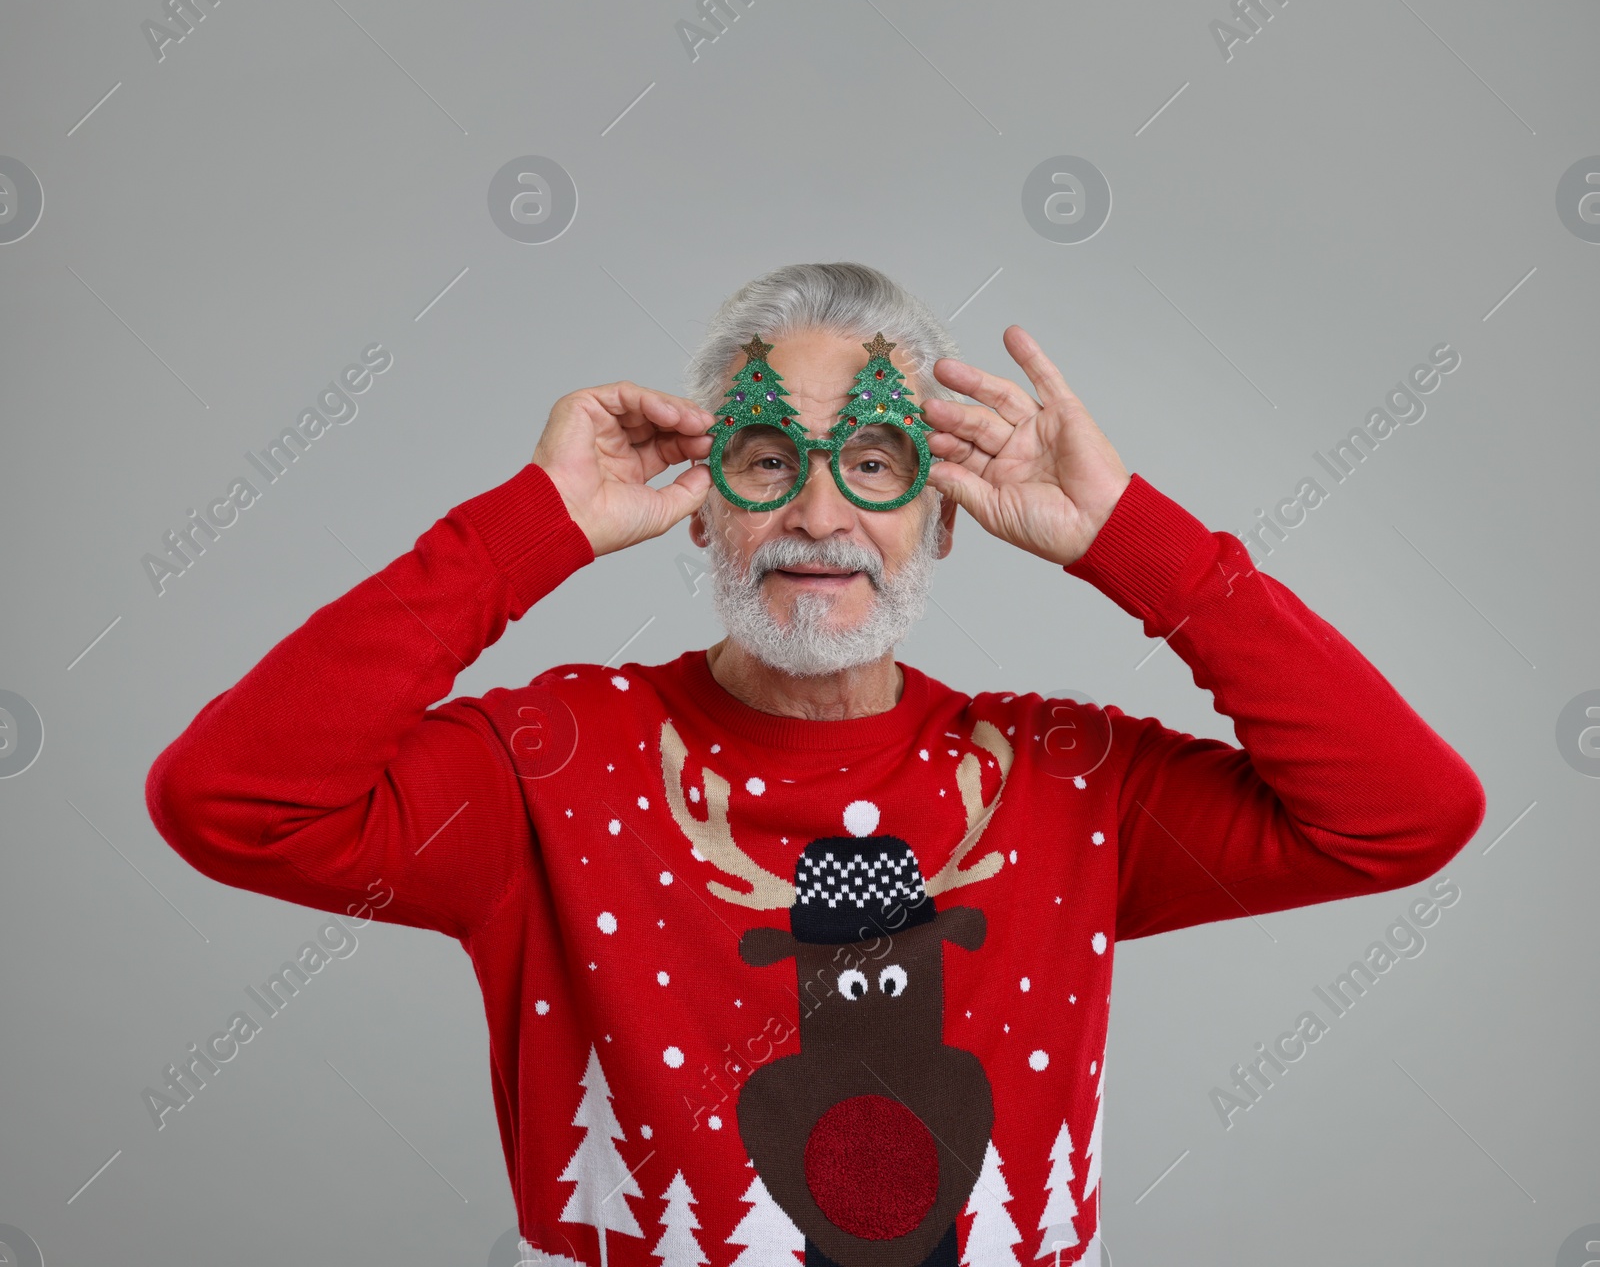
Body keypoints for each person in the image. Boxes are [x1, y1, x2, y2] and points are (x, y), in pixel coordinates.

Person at [146, 261, 1484, 1267]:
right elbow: (230, 801)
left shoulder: (1068, 779)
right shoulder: (546, 769)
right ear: (703, 502)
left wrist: (1129, 538)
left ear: (948, 520)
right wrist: (528, 528)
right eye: (770, 459)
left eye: (878, 463)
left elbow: (1406, 815)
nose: (822, 512)